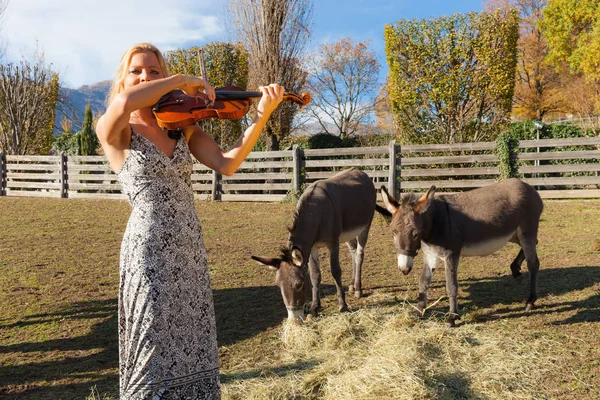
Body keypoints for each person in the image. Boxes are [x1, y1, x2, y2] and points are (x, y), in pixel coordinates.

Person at [96, 42, 284, 399]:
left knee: (191, 337)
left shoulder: (180, 125)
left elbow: (227, 163)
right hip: (148, 246)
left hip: (189, 246)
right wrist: (181, 79)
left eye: (153, 71)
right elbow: (122, 103)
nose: (145, 76)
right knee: (151, 337)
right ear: (123, 77)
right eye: (137, 70)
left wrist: (262, 113)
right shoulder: (115, 129)